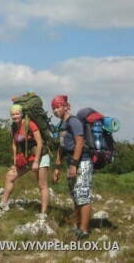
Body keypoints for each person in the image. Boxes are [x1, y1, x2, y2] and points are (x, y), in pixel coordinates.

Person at [52, 95, 93, 239]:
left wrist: (74, 165)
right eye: (53, 108)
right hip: (71, 162)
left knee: (83, 195)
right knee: (75, 196)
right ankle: (78, 226)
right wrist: (57, 166)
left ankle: (84, 231)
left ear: (65, 106)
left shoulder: (73, 121)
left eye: (58, 107)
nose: (55, 110)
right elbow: (61, 147)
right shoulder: (61, 125)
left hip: (82, 162)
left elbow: (80, 142)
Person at [0, 104, 50, 219]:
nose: (15, 116)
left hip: (40, 156)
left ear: (22, 114)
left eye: (17, 113)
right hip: (27, 158)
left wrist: (37, 162)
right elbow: (14, 145)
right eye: (13, 114)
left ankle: (43, 213)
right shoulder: (13, 126)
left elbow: (40, 143)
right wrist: (14, 162)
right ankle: (3, 204)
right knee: (10, 176)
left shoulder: (30, 124)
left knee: (42, 185)